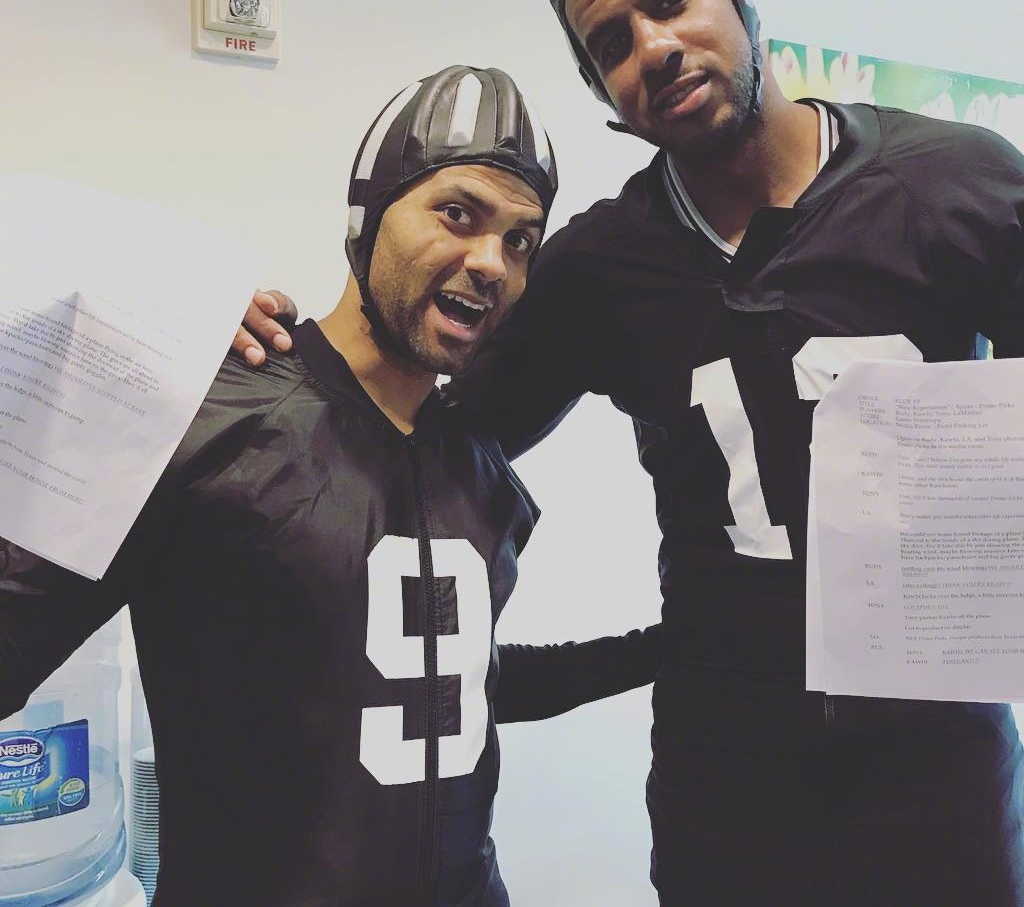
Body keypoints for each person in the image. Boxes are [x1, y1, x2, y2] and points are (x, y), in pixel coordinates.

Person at [235, 0, 1024, 906]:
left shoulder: (965, 184)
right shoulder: (597, 267)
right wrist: (257, 356)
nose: (654, 48)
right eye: (611, 44)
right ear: (604, 89)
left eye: (672, 0)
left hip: (938, 765)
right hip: (725, 775)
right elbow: (411, 430)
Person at [0, 64, 661, 906]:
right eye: (458, 214)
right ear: (368, 216)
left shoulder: (481, 471)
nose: (491, 262)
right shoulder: (204, 416)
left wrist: (667, 649)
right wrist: (82, 323)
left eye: (521, 241)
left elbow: (453, 687)